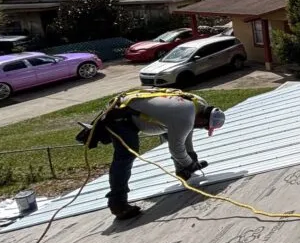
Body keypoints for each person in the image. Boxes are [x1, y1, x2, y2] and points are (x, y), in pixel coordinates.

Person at [81, 88, 226, 220]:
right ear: (203, 119)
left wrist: (191, 159)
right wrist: (189, 162)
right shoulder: (185, 117)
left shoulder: (197, 103)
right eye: (203, 126)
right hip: (121, 115)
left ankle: (183, 170)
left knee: (175, 133)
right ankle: (118, 203)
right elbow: (176, 147)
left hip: (131, 104)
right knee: (126, 155)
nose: (201, 128)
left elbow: (185, 133)